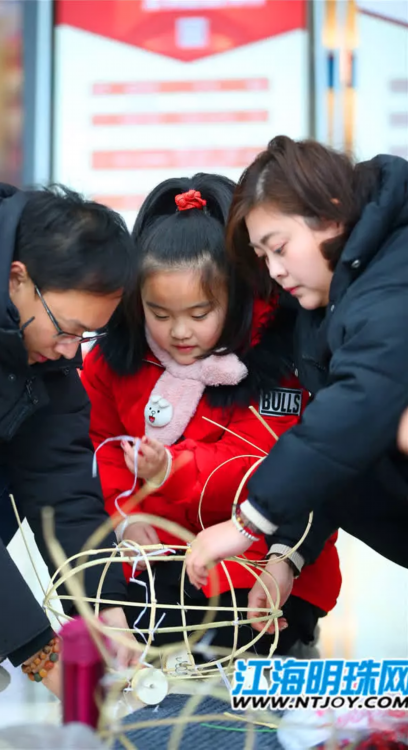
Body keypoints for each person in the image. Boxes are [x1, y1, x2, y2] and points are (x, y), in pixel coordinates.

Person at [81, 175, 341, 654]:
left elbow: (266, 461)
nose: (179, 332)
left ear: (236, 296)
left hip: (262, 553)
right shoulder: (116, 360)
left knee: (241, 649)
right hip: (159, 553)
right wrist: (125, 516)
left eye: (199, 314)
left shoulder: (278, 359)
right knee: (130, 637)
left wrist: (173, 469)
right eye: (160, 314)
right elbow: (100, 443)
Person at [0, 183, 139, 693]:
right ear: (18, 278)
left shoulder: (36, 335)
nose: (70, 350)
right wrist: (41, 654)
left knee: (19, 443)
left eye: (86, 336)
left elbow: (61, 478)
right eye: (67, 329)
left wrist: (106, 609)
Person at [186, 137, 408, 603]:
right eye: (263, 258)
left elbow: (355, 410)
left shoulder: (392, 276)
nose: (275, 271)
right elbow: (335, 451)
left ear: (330, 213)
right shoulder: (324, 307)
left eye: (279, 247)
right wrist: (285, 552)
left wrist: (249, 521)